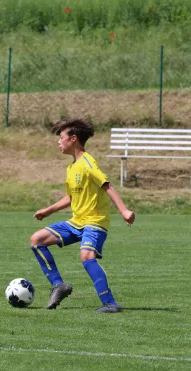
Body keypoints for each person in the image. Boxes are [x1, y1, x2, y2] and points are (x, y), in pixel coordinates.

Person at [29, 119, 136, 313]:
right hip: (76, 223)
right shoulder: (72, 168)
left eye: (61, 137)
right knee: (37, 240)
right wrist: (48, 210)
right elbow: (71, 197)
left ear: (73, 139)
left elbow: (107, 185)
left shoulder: (88, 163)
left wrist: (124, 211)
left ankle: (110, 303)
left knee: (86, 255)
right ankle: (59, 285)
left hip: (95, 222)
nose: (58, 142)